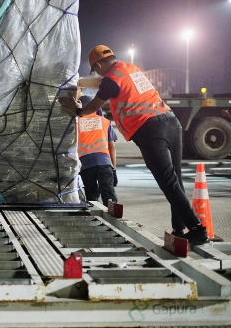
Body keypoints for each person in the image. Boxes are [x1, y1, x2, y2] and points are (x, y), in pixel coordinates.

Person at [60, 45, 208, 244]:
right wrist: (77, 81)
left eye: (95, 68)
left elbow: (96, 103)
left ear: (98, 64)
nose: (97, 73)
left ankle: (197, 230)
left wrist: (78, 112)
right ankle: (179, 228)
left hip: (151, 130)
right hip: (171, 122)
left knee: (168, 181)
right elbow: (99, 82)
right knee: (175, 180)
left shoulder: (112, 79)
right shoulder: (128, 69)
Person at [76, 94, 118, 204]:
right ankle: (113, 217)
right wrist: (113, 169)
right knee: (109, 195)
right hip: (104, 163)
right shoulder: (105, 122)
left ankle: (95, 216)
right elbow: (112, 147)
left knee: (91, 196)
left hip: (86, 165)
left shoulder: (75, 123)